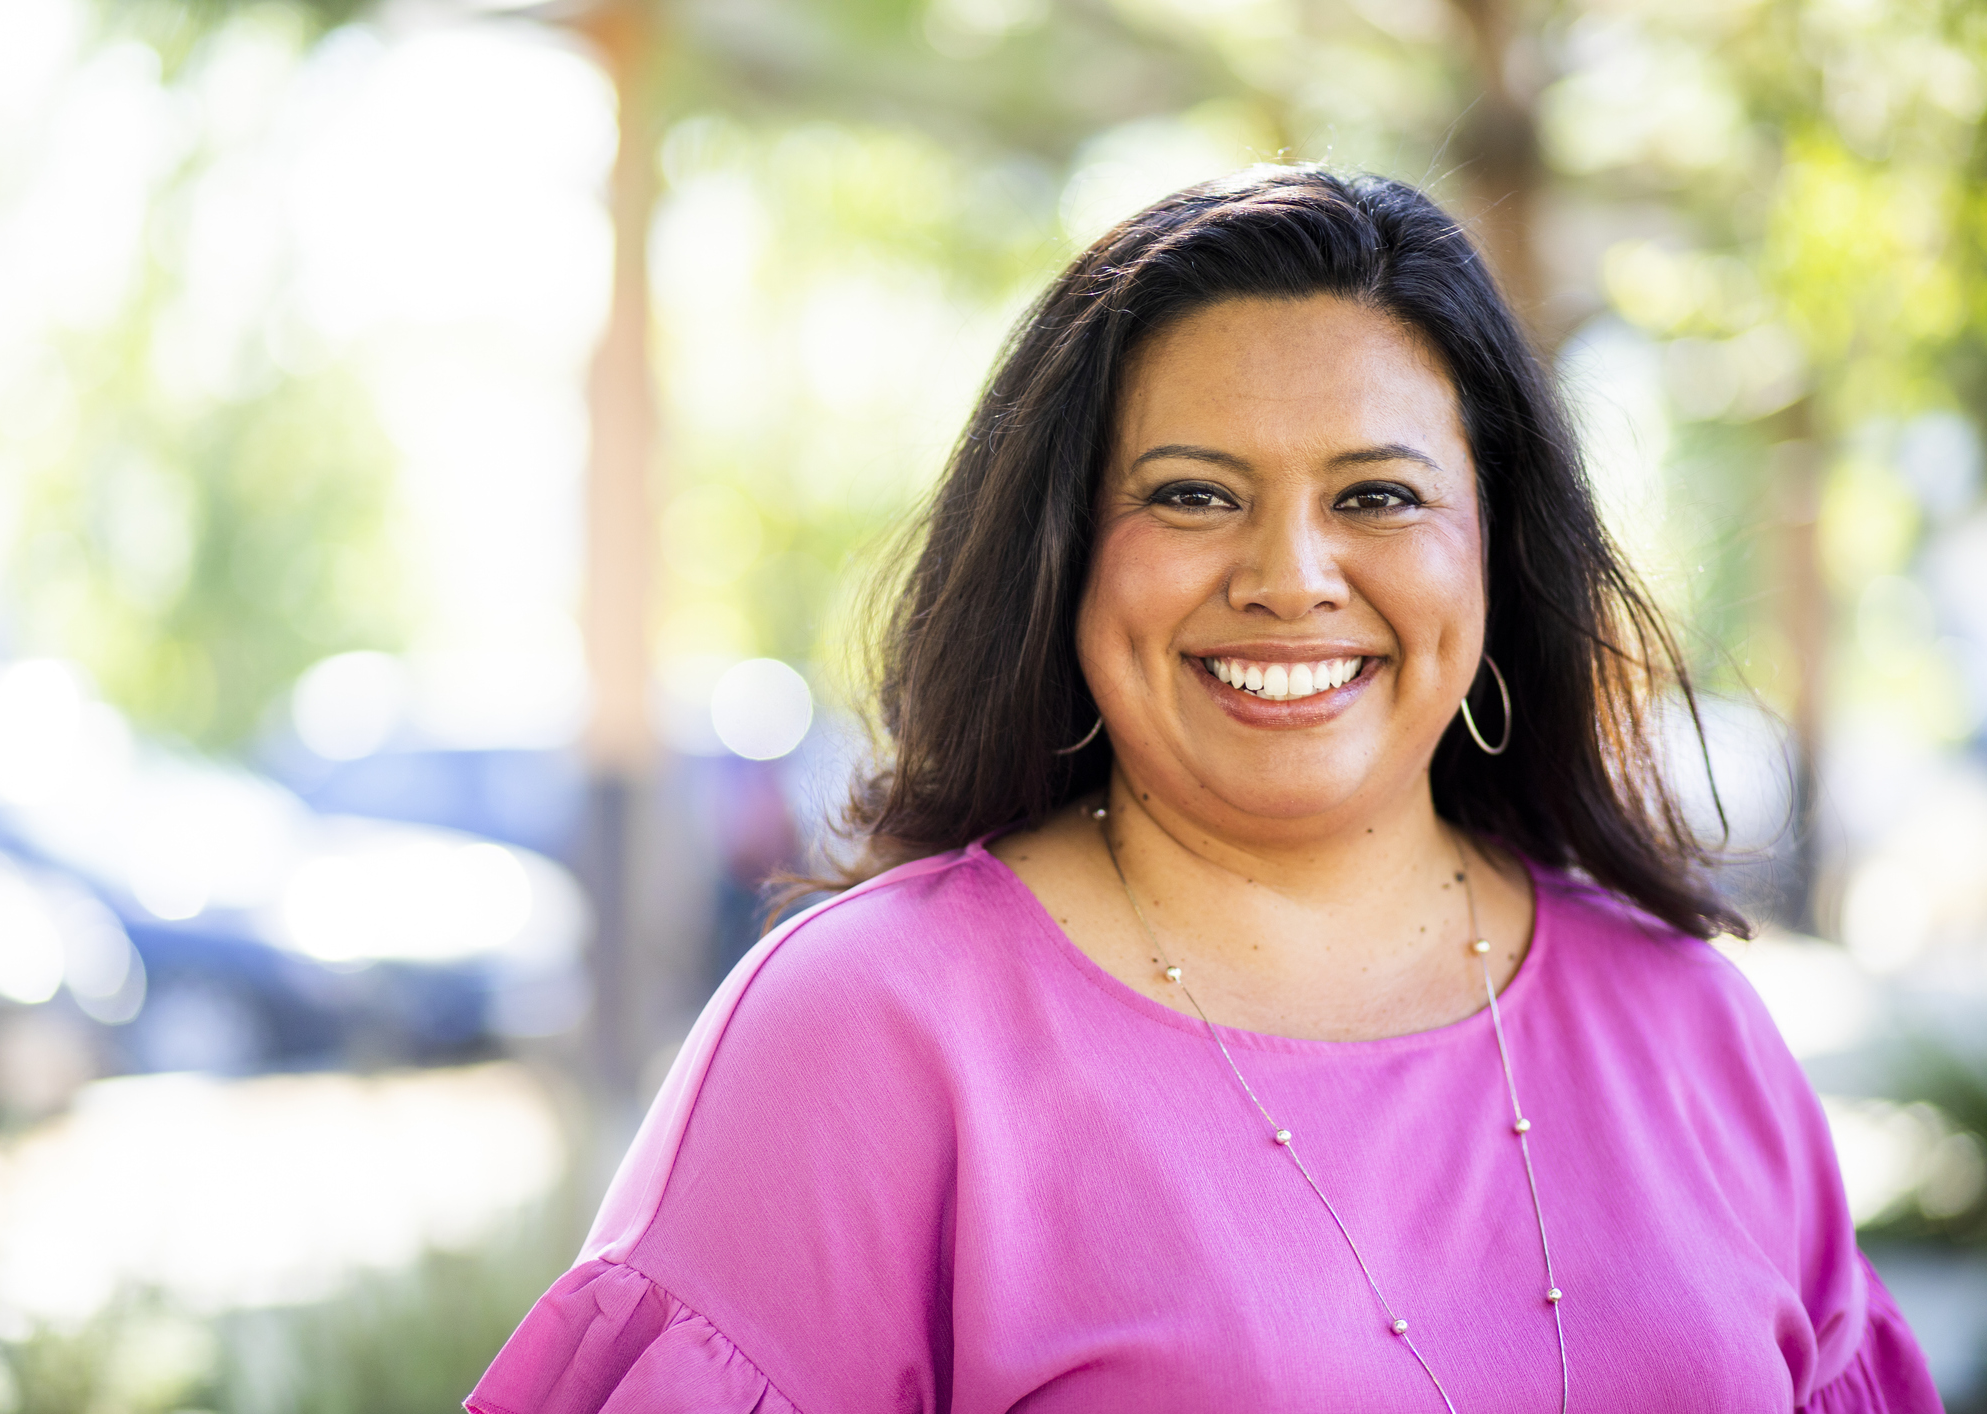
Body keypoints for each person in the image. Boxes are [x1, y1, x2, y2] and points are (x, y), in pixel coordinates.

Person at [468, 167, 1941, 1412]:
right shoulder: (871, 1028)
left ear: (1494, 552)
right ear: (1066, 553)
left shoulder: (1686, 1025)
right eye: (1190, 493)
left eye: (1376, 494)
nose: (1289, 576)